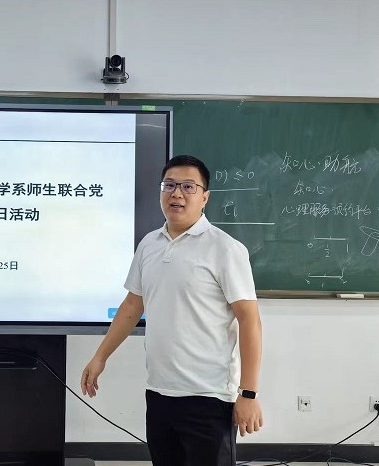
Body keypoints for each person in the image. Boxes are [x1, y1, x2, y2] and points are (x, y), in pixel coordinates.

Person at [80, 155, 263, 466]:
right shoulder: (149, 244)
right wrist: (100, 357)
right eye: (170, 185)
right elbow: (132, 306)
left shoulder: (225, 249)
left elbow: (250, 321)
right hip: (159, 392)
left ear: (205, 197)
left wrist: (248, 393)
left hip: (209, 397)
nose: (177, 193)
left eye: (188, 187)